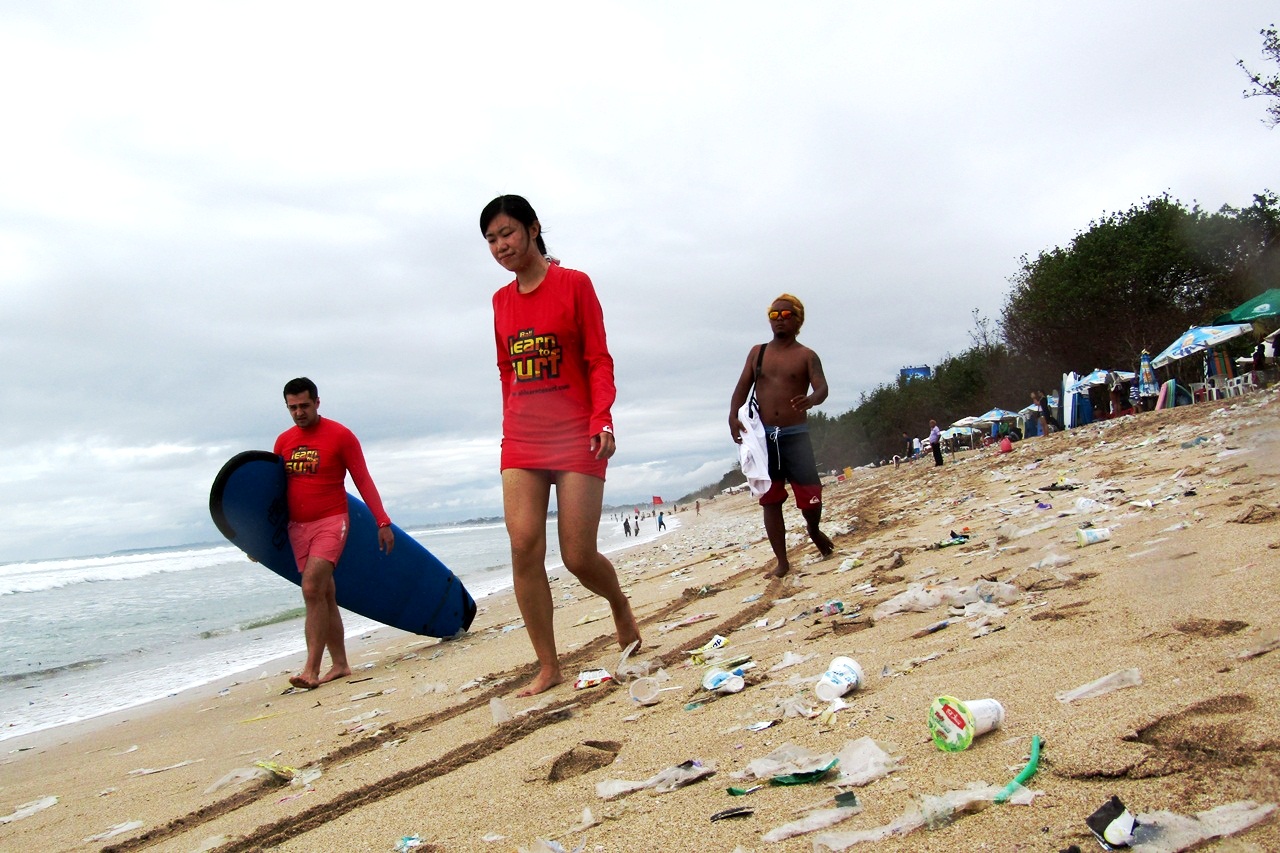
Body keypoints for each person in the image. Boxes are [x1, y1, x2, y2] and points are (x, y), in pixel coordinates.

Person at [482, 194, 640, 697]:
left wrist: (602, 418)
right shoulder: (500, 302)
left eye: (507, 233)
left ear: (532, 228)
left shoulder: (575, 284)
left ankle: (619, 604)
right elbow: (507, 370)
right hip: (523, 439)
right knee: (524, 544)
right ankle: (547, 666)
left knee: (577, 554)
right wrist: (511, 429)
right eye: (490, 240)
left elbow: (598, 359)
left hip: (577, 434)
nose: (501, 245)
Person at [273, 377, 394, 691]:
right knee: (324, 593)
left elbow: (363, 480)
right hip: (298, 527)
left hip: (332, 521)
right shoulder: (283, 442)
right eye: (292, 407)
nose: (298, 412)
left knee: (311, 587)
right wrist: (256, 539)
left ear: (317, 402)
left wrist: (382, 521)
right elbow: (273, 492)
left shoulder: (340, 436)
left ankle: (310, 670)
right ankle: (340, 664)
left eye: (304, 405)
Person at [729, 294, 835, 577]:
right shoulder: (758, 353)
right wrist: (732, 415)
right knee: (771, 499)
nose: (779, 320)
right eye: (774, 316)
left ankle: (813, 529)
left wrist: (811, 400)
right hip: (766, 439)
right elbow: (742, 387)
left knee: (810, 496)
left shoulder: (807, 355)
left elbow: (822, 388)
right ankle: (782, 562)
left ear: (798, 320)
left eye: (786, 315)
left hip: (796, 435)